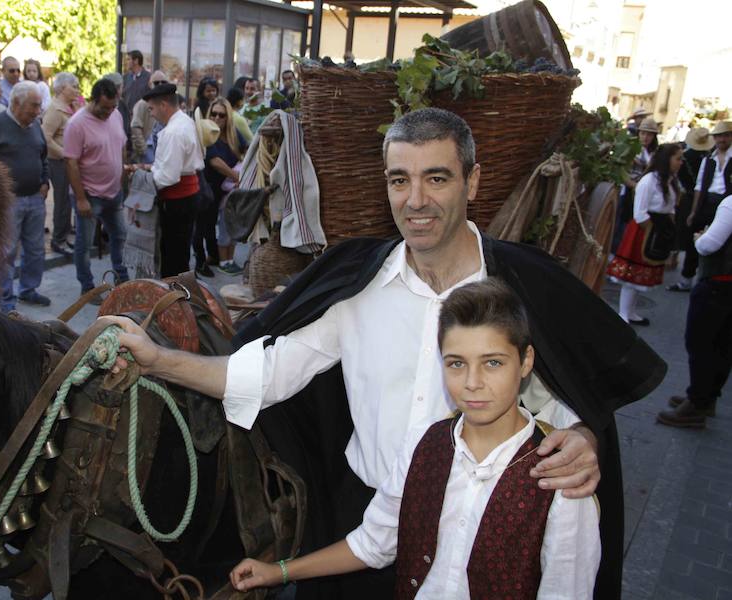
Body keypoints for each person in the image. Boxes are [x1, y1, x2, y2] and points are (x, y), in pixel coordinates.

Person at [103, 107, 665, 599]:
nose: (415, 200)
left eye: (436, 178)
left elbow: (563, 399)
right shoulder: (358, 284)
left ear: (472, 182)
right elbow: (267, 375)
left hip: (478, 534)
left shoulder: (523, 289)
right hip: (360, 527)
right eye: (400, 180)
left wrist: (583, 437)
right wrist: (158, 360)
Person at [229, 278, 601, 599]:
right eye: (457, 363)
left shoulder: (559, 475)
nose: (472, 382)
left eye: (493, 363)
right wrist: (278, 572)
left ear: (526, 361)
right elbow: (373, 543)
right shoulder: (424, 445)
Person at [0, 81, 50, 311]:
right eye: (33, 106)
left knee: (35, 249)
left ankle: (28, 289)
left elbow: (43, 156)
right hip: (8, 201)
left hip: (35, 198)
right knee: (5, 252)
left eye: (39, 106)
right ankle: (6, 300)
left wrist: (45, 181)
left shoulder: (35, 126)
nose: (38, 111)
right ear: (16, 103)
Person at [658, 193, 732, 428]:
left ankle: (696, 403)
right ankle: (707, 397)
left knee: (702, 343)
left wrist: (700, 238)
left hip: (718, 282)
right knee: (723, 345)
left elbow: (709, 244)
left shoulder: (730, 204)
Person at [63, 78, 129, 303]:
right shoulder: (77, 124)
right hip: (90, 196)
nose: (109, 112)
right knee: (84, 245)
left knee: (120, 236)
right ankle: (88, 288)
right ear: (93, 100)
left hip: (114, 192)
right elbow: (71, 163)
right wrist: (81, 199)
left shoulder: (116, 115)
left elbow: (121, 146)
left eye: (113, 107)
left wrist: (122, 175)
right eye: (104, 108)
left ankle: (122, 281)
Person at [607, 143, 683, 325]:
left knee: (641, 275)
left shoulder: (670, 181)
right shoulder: (648, 181)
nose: (681, 162)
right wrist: (652, 232)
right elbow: (640, 213)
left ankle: (631, 312)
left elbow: (671, 208)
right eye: (678, 158)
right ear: (667, 159)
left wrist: (667, 230)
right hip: (644, 230)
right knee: (631, 275)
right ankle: (623, 314)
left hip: (659, 230)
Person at [135, 82, 203, 277]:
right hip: (185, 196)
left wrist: (143, 181)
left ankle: (174, 293)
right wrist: (151, 168)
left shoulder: (173, 131)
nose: (151, 114)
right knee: (179, 253)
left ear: (164, 105)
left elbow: (168, 176)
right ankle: (178, 290)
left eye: (151, 109)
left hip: (177, 201)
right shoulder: (184, 121)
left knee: (173, 258)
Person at [199, 97, 247, 276]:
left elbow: (246, 149)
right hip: (211, 188)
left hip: (230, 191)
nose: (217, 118)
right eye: (214, 113)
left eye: (221, 115)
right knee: (208, 226)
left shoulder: (234, 133)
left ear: (228, 117)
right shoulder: (207, 132)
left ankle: (222, 258)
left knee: (229, 226)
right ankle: (215, 257)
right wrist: (237, 176)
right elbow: (214, 161)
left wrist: (245, 168)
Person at [669, 127, 713, 292]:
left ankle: (686, 276)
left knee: (687, 236)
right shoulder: (709, 157)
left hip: (688, 199)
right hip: (704, 200)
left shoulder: (686, 157)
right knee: (699, 238)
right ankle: (697, 276)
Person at [42, 71, 81, 257]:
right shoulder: (55, 109)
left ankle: (63, 237)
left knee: (67, 200)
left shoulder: (70, 107)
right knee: (63, 201)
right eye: (74, 86)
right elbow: (45, 137)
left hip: (68, 162)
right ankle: (58, 239)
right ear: (63, 88)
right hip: (58, 162)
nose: (77, 90)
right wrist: (65, 154)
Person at [613, 117, 660, 252]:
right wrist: (633, 185)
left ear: (654, 137)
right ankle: (617, 251)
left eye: (649, 134)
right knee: (623, 221)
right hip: (629, 189)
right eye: (643, 133)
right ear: (638, 133)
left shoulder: (655, 153)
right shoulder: (630, 148)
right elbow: (621, 171)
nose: (645, 137)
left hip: (644, 191)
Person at [687, 121, 732, 235]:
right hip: (707, 202)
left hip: (726, 204)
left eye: (726, 135)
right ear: (714, 138)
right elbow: (699, 186)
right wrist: (694, 211)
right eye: (719, 136)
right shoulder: (708, 160)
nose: (722, 139)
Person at [130, 70, 167, 162]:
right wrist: (144, 150)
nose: (160, 85)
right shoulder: (142, 104)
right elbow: (135, 127)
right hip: (148, 153)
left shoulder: (168, 104)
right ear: (150, 84)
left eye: (163, 82)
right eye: (156, 83)